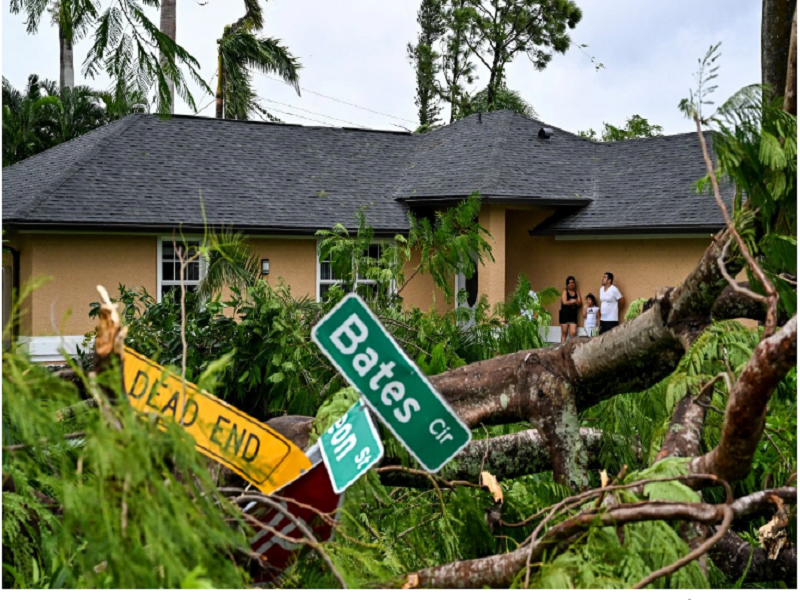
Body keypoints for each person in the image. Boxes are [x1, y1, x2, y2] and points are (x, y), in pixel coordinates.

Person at [559, 276, 581, 343]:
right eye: (570, 283)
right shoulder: (564, 291)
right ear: (567, 284)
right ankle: (562, 348)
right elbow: (564, 302)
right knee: (564, 332)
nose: (571, 284)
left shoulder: (577, 292)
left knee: (573, 333)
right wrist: (574, 301)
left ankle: (571, 349)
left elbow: (579, 303)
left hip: (573, 315)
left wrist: (573, 301)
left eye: (573, 283)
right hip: (564, 314)